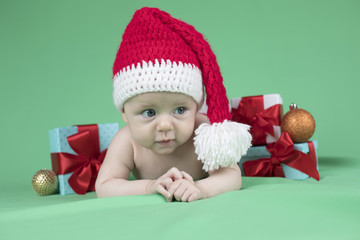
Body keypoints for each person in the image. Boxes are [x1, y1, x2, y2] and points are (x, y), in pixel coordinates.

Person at [95, 7, 252, 202]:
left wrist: (200, 188)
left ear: (196, 107)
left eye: (180, 110)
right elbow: (104, 186)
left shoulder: (202, 133)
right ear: (125, 113)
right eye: (149, 112)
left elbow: (231, 176)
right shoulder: (127, 142)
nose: (165, 125)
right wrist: (148, 186)